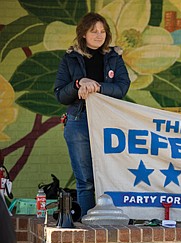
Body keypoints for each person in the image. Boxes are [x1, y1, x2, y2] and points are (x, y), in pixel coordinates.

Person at [54, 12, 130, 216]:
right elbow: (60, 94)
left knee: (112, 177)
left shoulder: (114, 57)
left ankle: (115, 223)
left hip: (109, 123)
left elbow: (122, 88)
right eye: (93, 31)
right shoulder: (70, 58)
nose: (99, 35)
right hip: (78, 122)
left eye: (102, 31)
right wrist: (78, 84)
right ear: (83, 34)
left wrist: (96, 86)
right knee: (85, 180)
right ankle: (89, 227)